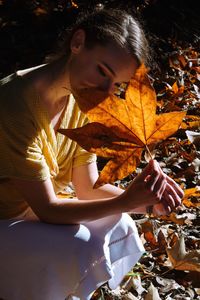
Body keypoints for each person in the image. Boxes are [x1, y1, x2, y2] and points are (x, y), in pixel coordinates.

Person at [0, 6, 183, 300]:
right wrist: (126, 200)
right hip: (5, 218)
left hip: (26, 214)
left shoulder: (80, 100)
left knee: (120, 222)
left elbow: (87, 188)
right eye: (102, 71)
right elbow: (48, 208)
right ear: (77, 42)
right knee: (81, 243)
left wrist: (149, 204)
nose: (105, 90)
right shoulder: (14, 106)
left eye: (117, 85)